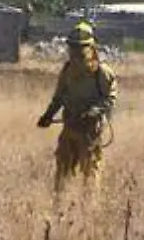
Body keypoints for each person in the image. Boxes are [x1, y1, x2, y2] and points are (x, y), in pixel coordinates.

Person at [37, 21, 119, 191]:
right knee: (62, 169)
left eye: (81, 47)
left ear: (91, 48)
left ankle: (89, 209)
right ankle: (59, 205)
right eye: (73, 47)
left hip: (90, 131)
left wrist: (94, 112)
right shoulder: (68, 70)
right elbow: (59, 96)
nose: (76, 51)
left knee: (90, 172)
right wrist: (48, 115)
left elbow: (110, 98)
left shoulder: (101, 72)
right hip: (70, 127)